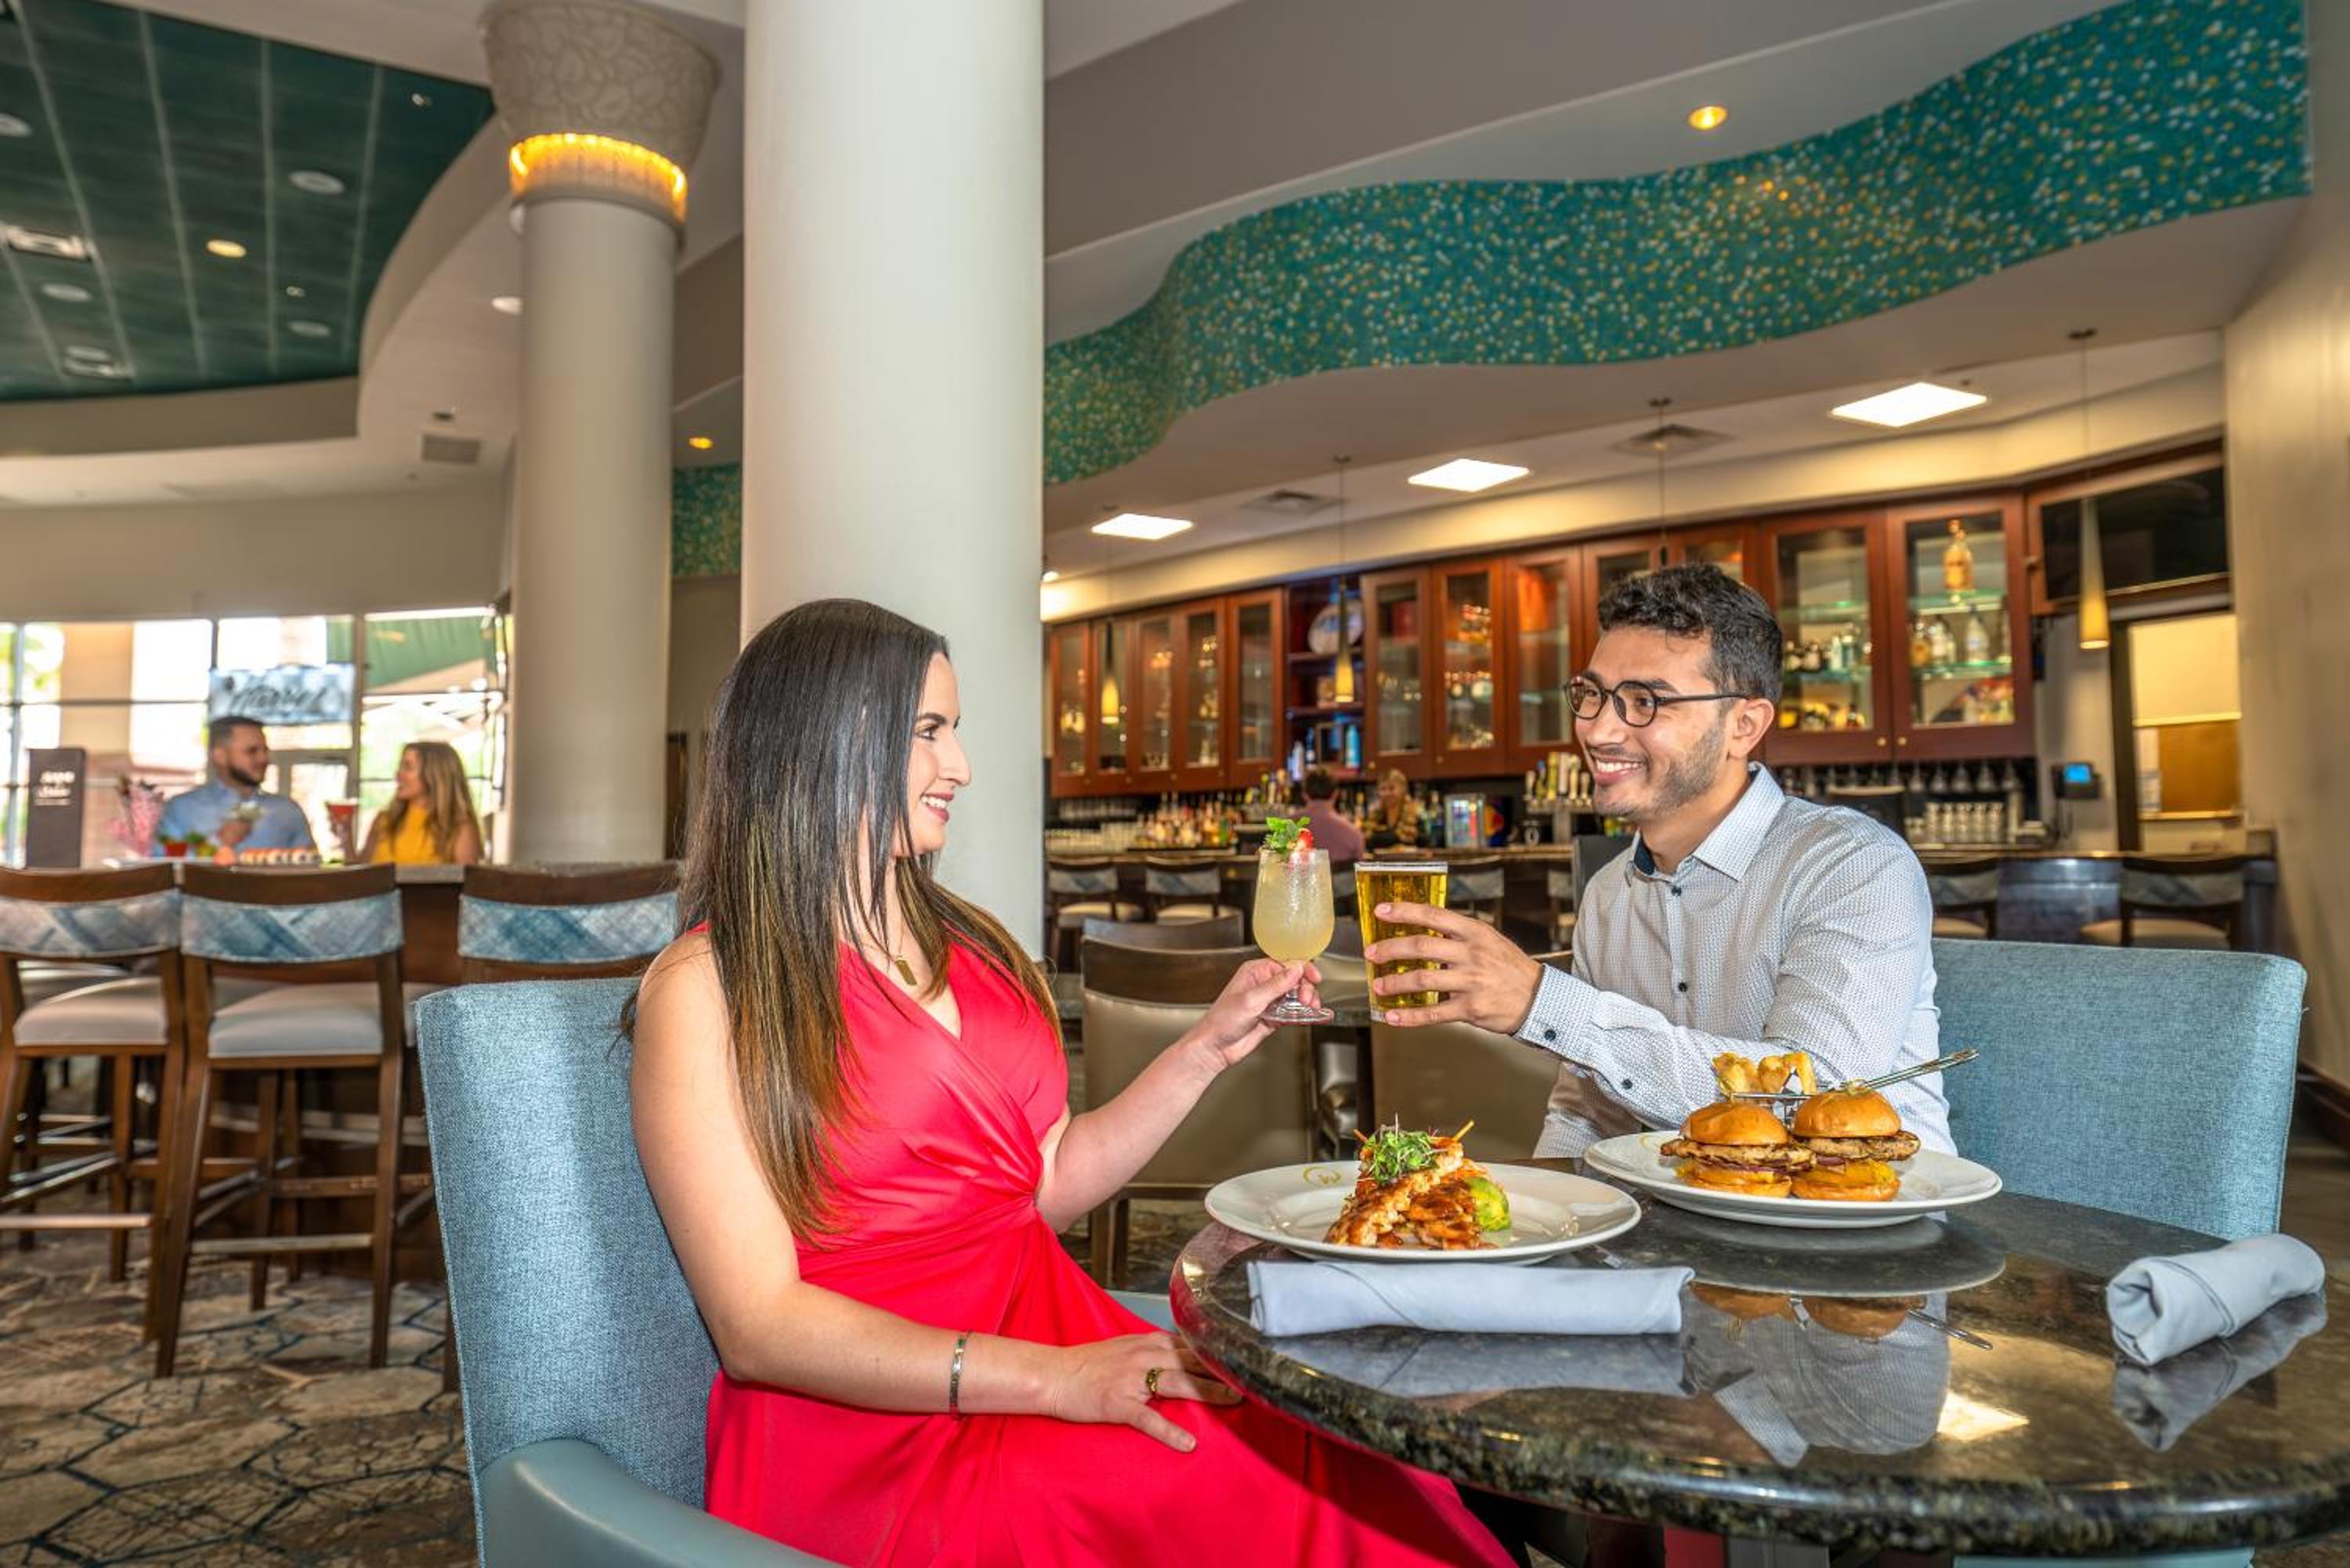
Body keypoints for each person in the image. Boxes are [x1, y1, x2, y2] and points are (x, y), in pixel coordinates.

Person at [629, 599, 1508, 1568]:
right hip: (871, 1423)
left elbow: (1037, 1187)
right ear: (825, 737)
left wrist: (1206, 1049)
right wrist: (1054, 1380)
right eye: (929, 730)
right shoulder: (707, 985)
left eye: (955, 730)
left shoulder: (969, 942)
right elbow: (757, 1325)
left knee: (1324, 1435)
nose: (961, 765)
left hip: (1049, 1324)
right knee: (1223, 1474)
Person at [1363, 565, 1950, 1158]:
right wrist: (1548, 1207)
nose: (1597, 731)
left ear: (1744, 725)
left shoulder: (1854, 866)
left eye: (1645, 701)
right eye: (1592, 696)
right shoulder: (1608, 893)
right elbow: (1584, 1112)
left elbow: (1811, 1101)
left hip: (1869, 1207)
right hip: (1679, 1209)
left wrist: (1543, 1001)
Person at [153, 716, 316, 855]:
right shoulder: (182, 809)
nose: (263, 759)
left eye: (265, 750)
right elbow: (164, 865)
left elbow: (309, 870)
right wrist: (218, 842)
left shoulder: (288, 810)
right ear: (220, 755)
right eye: (252, 751)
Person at [359, 741, 484, 865]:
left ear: (434, 775)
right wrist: (348, 835)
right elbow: (361, 873)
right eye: (401, 766)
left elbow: (468, 878)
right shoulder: (384, 821)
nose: (398, 774)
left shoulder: (460, 828)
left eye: (408, 767)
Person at [1299, 767, 1365, 865]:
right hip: (1342, 875)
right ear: (1336, 794)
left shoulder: (1284, 827)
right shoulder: (1353, 833)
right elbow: (1359, 868)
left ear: (1304, 794)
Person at [1363, 767, 1423, 851]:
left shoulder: (1416, 816)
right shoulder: (1373, 817)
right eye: (1383, 789)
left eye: (1391, 788)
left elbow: (1423, 844)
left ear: (1403, 790)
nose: (1387, 793)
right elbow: (1367, 842)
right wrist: (1396, 837)